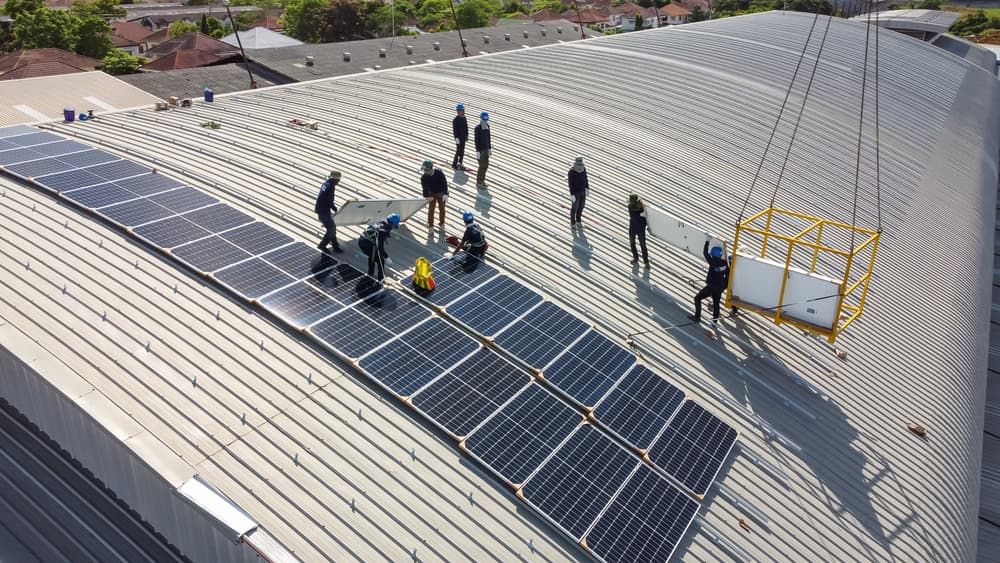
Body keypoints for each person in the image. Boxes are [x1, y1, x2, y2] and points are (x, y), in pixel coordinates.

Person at [689, 241, 730, 324]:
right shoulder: (725, 264)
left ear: (713, 254)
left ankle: (697, 317)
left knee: (697, 298)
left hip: (711, 286)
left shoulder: (712, 262)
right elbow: (728, 275)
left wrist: (707, 241)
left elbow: (705, 253)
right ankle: (715, 322)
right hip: (719, 288)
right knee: (716, 304)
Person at [358, 213, 400, 281]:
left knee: (373, 257)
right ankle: (381, 279)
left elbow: (376, 233)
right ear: (392, 224)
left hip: (362, 241)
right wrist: (387, 257)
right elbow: (380, 247)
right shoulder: (383, 231)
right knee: (380, 260)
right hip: (367, 245)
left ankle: (370, 273)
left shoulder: (381, 223)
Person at [314, 170, 343, 253]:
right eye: (338, 179)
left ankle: (336, 247)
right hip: (324, 211)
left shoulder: (326, 184)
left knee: (332, 229)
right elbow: (329, 200)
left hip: (322, 210)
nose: (339, 181)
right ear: (335, 179)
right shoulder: (331, 186)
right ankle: (322, 245)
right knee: (331, 229)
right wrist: (334, 208)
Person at [421, 159, 449, 228]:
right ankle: (430, 225)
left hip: (441, 193)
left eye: (426, 170)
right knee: (431, 210)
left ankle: (442, 223)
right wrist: (425, 198)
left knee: (442, 209)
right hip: (431, 194)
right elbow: (425, 189)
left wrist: (445, 194)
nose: (425, 172)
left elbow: (444, 183)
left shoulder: (439, 173)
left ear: (431, 169)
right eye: (424, 170)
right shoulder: (423, 178)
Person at [627, 193, 649, 266]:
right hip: (633, 227)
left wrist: (643, 209)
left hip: (640, 228)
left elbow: (647, 218)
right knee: (632, 243)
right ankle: (635, 258)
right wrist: (642, 210)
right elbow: (633, 214)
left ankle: (646, 262)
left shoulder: (642, 208)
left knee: (643, 245)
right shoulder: (630, 207)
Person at [568, 156, 588, 226]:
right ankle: (572, 222)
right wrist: (572, 194)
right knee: (575, 207)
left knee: (581, 206)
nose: (580, 165)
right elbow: (570, 184)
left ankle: (578, 221)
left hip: (582, 191)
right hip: (575, 192)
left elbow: (585, 178)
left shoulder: (583, 169)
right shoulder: (571, 172)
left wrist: (587, 187)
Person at [474, 112, 491, 189]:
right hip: (481, 150)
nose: (485, 121)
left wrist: (489, 148)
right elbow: (476, 140)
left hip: (486, 149)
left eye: (486, 120)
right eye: (484, 120)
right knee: (482, 166)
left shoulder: (487, 127)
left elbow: (488, 138)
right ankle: (479, 182)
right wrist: (477, 151)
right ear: (481, 119)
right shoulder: (477, 128)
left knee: (486, 166)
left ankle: (482, 180)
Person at [452, 103, 468, 170]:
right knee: (458, 151)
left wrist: (467, 135)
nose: (462, 111)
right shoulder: (455, 120)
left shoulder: (464, 118)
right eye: (461, 110)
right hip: (458, 138)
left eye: (463, 110)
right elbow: (455, 130)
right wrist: (456, 138)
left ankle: (460, 163)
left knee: (462, 151)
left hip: (463, 138)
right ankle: (454, 164)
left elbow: (466, 127)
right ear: (458, 111)